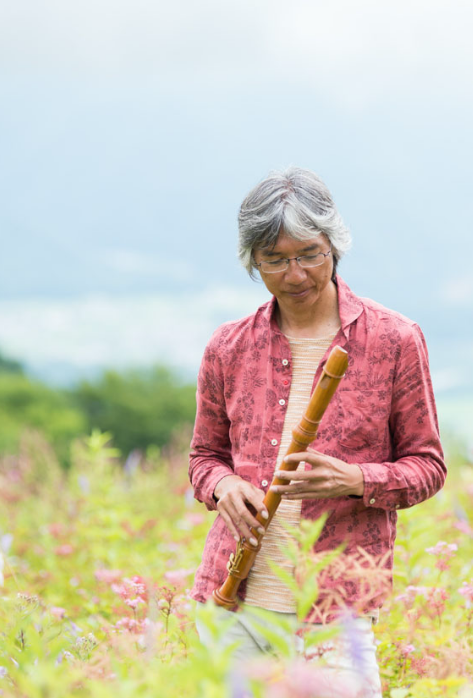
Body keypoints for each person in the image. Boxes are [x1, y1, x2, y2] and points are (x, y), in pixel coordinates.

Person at [188, 166, 446, 696]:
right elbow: (203, 458)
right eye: (274, 261)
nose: (296, 274)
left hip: (336, 609)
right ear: (252, 262)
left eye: (310, 254)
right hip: (233, 602)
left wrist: (354, 479)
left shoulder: (395, 340)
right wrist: (223, 486)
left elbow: (428, 466)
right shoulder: (227, 347)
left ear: (335, 246)